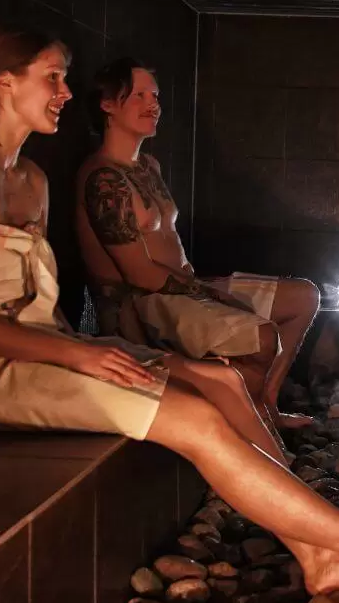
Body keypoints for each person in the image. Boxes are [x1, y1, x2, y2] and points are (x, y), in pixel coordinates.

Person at [0, 26, 339, 593]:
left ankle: (318, 552)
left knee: (220, 380)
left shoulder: (30, 178)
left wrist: (78, 348)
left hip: (41, 346)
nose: (65, 92)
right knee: (196, 419)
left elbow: (34, 301)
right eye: (52, 78)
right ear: (4, 84)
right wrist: (78, 356)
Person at [74, 57, 320, 430]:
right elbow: (139, 275)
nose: (153, 104)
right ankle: (252, 426)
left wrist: (204, 288)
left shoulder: (149, 166)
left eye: (155, 95)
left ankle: (265, 405)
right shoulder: (103, 178)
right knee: (262, 336)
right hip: (143, 303)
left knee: (303, 297)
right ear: (107, 104)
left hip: (184, 289)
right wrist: (212, 293)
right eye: (139, 95)